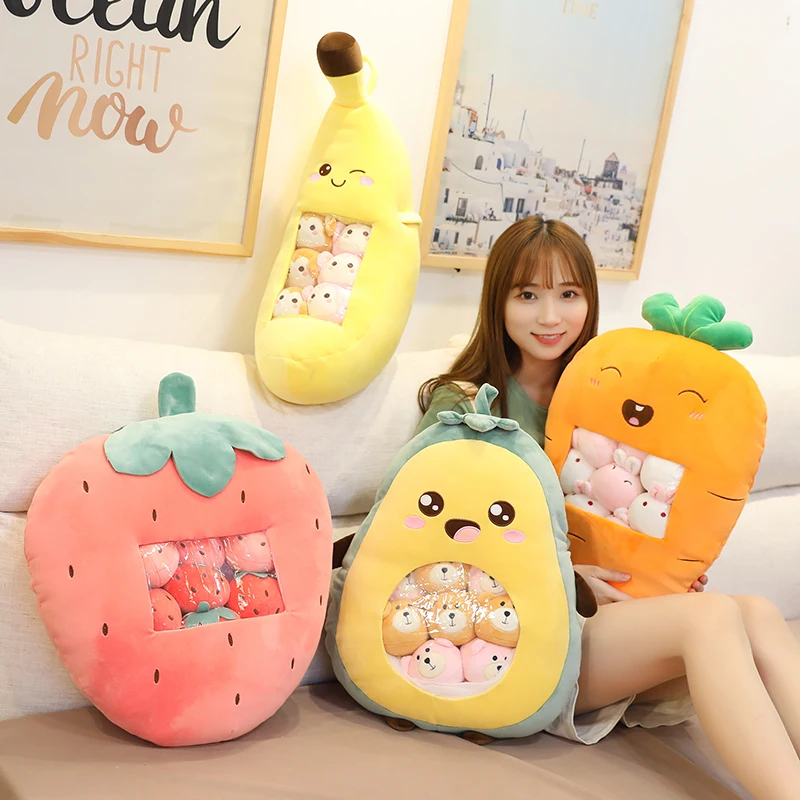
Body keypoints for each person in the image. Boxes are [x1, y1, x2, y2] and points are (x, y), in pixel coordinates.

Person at [415, 216, 800, 800]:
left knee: (755, 612)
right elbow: (425, 534)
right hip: (519, 627)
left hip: (612, 620)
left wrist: (668, 571)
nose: (550, 317)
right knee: (710, 619)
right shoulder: (466, 404)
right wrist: (567, 577)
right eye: (527, 295)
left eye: (569, 295)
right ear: (497, 301)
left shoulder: (612, 401)